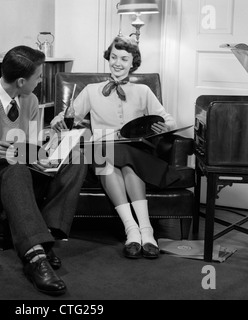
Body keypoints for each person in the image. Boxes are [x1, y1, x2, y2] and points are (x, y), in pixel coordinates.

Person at [0, 45, 88, 296]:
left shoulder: (29, 100)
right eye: (39, 76)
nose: (41, 79)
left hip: (21, 168)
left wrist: (48, 149)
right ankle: (35, 259)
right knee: (17, 169)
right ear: (22, 81)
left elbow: (29, 144)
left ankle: (46, 240)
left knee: (77, 158)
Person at [51, 36, 179, 259]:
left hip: (134, 151)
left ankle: (145, 230)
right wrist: (57, 122)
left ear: (133, 63)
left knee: (127, 164)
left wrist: (160, 127)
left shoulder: (143, 92)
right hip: (102, 150)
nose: (117, 63)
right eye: (113, 57)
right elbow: (67, 117)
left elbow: (170, 122)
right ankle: (133, 230)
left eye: (124, 58)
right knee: (105, 160)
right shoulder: (91, 90)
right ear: (108, 59)